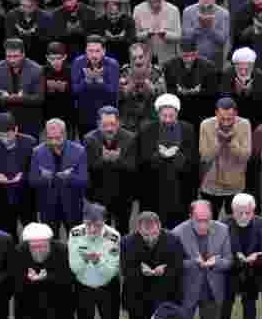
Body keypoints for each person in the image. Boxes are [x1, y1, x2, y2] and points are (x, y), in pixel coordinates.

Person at [173, 200, 233, 319]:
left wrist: (216, 262)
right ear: (190, 217)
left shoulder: (223, 230)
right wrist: (194, 262)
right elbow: (174, 264)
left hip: (212, 287)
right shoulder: (177, 232)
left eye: (207, 220)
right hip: (188, 288)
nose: (203, 225)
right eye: (199, 220)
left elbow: (228, 261)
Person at [13, 221, 76, 319]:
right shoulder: (19, 251)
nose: (38, 250)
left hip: (58, 302)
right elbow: (14, 279)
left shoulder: (62, 250)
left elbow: (70, 277)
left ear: (49, 242)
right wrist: (29, 280)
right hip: (29, 304)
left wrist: (48, 277)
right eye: (34, 247)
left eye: (42, 246)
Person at [69, 202, 122, 319]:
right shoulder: (75, 234)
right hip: (83, 286)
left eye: (97, 225)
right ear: (84, 220)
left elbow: (110, 271)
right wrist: (86, 260)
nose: (92, 229)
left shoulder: (113, 237)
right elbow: (75, 268)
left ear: (105, 222)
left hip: (107, 286)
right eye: (89, 224)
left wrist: (97, 261)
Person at [137, 93, 199, 228]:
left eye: (171, 116)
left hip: (180, 185)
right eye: (164, 116)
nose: (168, 119)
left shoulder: (187, 129)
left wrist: (176, 156)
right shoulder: (147, 129)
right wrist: (160, 155)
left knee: (178, 224)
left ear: (177, 114)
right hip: (154, 185)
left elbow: (192, 157)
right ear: (158, 114)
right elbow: (143, 158)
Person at [121, 210, 185, 319]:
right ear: (138, 229)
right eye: (146, 235)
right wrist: (140, 271)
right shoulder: (126, 243)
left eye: (154, 233)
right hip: (138, 298)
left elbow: (178, 268)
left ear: (160, 226)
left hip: (166, 297)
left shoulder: (173, 240)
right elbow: (125, 270)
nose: (151, 238)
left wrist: (165, 271)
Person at [220, 193, 262, 319]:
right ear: (232, 210)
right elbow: (218, 251)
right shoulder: (223, 225)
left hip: (253, 271)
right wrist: (235, 256)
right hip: (230, 271)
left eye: (248, 212)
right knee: (226, 304)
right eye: (240, 212)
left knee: (250, 304)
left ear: (254, 210)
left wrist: (257, 256)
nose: (244, 216)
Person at [29, 118, 89, 233]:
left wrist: (68, 177)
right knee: (50, 243)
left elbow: (84, 180)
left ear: (65, 134)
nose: (54, 142)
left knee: (75, 242)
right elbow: (32, 180)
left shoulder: (79, 151)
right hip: (48, 208)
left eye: (58, 138)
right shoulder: (37, 152)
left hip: (73, 207)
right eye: (50, 138)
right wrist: (46, 178)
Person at [84, 105, 138, 233]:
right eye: (105, 124)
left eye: (112, 124)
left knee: (123, 230)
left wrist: (116, 160)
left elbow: (133, 167)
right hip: (99, 196)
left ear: (118, 123)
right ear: (98, 123)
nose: (109, 128)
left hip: (123, 194)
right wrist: (104, 160)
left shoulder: (130, 138)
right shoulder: (89, 139)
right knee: (101, 231)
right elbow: (88, 167)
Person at [198, 97, 252, 217]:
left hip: (235, 184)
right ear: (216, 113)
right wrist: (219, 142)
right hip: (211, 184)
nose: (226, 122)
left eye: (230, 119)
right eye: (222, 118)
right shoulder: (206, 125)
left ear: (236, 114)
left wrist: (231, 142)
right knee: (210, 221)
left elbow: (246, 156)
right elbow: (205, 156)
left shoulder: (244, 124)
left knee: (234, 221)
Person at [0, 38, 45, 139]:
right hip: (4, 123)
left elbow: (40, 98)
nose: (12, 60)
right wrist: (16, 98)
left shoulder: (37, 70)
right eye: (9, 56)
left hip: (29, 122)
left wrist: (14, 98)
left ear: (23, 54)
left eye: (15, 56)